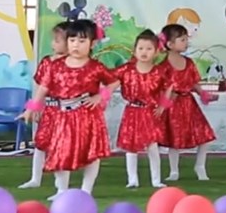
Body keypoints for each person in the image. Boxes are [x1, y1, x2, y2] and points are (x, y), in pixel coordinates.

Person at [19, 19, 118, 200]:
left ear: (92, 43)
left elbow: (114, 81)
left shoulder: (96, 67)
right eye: (72, 40)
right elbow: (43, 87)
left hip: (88, 116)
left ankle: (86, 190)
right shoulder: (56, 66)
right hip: (63, 116)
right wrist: (31, 108)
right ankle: (61, 190)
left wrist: (100, 96)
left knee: (91, 153)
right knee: (61, 151)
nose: (76, 45)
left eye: (82, 41)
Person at [158, 23, 217, 182]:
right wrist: (165, 99)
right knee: (174, 140)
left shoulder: (189, 63)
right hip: (173, 107)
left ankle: (200, 166)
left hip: (189, 104)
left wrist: (204, 94)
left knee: (204, 135)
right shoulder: (163, 66)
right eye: (182, 40)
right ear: (170, 44)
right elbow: (159, 87)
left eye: (186, 39)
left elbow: (194, 83)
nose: (186, 42)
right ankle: (174, 171)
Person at [116, 30, 172, 189]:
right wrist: (103, 96)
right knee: (131, 148)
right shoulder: (127, 70)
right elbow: (112, 81)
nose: (144, 52)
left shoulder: (159, 71)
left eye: (148, 49)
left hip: (149, 112)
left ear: (156, 52)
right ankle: (132, 179)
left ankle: (156, 180)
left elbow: (169, 87)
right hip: (132, 112)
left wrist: (163, 105)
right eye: (140, 48)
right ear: (134, 51)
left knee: (152, 146)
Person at [20, 21, 70, 189]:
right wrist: (36, 107)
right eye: (53, 40)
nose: (53, 43)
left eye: (58, 40)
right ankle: (35, 178)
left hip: (64, 111)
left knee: (61, 146)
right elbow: (40, 87)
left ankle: (61, 185)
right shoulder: (47, 62)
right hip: (48, 109)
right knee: (41, 143)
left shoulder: (72, 64)